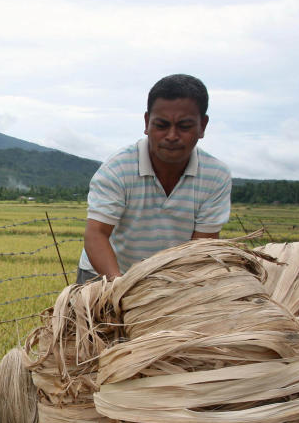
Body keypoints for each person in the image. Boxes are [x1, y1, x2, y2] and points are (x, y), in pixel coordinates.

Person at [76, 74, 231, 283]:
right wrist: (119, 287)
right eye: (162, 125)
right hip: (106, 274)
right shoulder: (118, 168)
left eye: (184, 126)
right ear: (147, 122)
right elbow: (96, 235)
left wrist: (175, 291)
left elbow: (200, 250)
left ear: (202, 126)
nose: (172, 136)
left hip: (173, 279)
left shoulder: (215, 176)